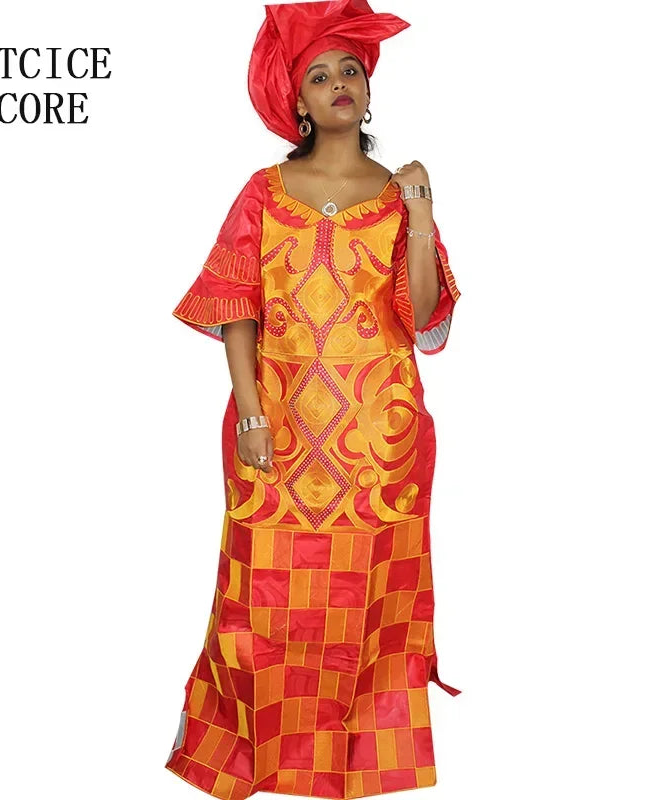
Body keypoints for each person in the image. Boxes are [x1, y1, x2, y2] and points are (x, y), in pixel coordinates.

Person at [165, 2, 463, 798]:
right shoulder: (264, 193)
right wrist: (250, 412)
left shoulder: (396, 195)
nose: (338, 84)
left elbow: (422, 318)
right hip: (279, 434)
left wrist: (421, 214)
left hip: (378, 447)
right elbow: (236, 308)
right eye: (320, 75)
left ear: (368, 89)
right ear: (296, 100)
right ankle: (252, 760)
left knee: (369, 606)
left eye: (350, 70)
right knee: (260, 603)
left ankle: (357, 769)